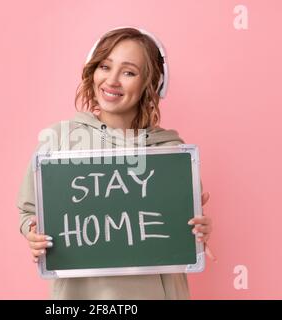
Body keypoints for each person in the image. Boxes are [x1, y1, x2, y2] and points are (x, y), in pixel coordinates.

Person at [17, 26, 214, 299]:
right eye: (105, 66)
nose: (112, 80)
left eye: (129, 72)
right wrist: (32, 233)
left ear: (151, 83)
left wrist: (198, 232)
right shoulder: (60, 142)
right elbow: (29, 213)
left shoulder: (171, 153)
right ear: (92, 70)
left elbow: (181, 235)